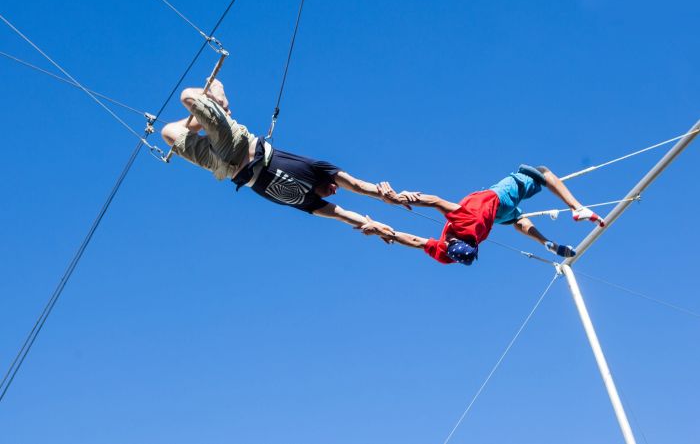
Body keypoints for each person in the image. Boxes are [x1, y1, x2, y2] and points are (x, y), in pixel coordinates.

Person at [161, 79, 399, 239]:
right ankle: (220, 104)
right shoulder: (317, 169)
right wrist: (385, 195)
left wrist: (375, 226)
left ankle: (203, 119)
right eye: (335, 186)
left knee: (167, 133)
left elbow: (342, 214)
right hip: (237, 144)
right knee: (188, 95)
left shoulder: (310, 202)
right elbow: (358, 185)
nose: (335, 190)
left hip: (224, 168)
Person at [364, 165, 605, 265]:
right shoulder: (462, 225)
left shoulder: (456, 251)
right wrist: (400, 199)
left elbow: (417, 241)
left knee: (518, 220)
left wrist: (388, 232)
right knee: (542, 172)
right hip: (499, 199)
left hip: (496, 217)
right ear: (455, 243)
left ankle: (545, 242)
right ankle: (577, 207)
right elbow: (436, 201)